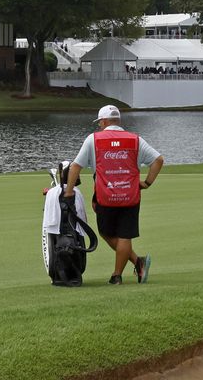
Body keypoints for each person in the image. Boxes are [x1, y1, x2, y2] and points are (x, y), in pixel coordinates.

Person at [63, 105, 164, 285]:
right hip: (130, 196)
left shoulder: (93, 139)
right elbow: (158, 160)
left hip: (105, 197)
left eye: (99, 123)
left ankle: (117, 276)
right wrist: (147, 183)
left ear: (103, 121)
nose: (99, 127)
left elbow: (75, 167)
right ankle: (136, 264)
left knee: (105, 232)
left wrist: (69, 191)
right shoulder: (135, 140)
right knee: (125, 236)